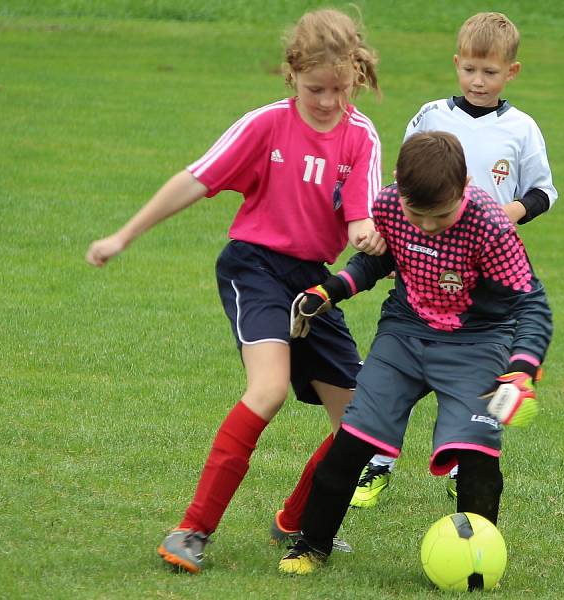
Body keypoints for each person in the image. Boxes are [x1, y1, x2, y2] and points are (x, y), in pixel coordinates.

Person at [85, 9, 385, 574]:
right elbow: (194, 181)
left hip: (314, 283)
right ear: (292, 73)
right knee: (267, 390)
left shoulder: (360, 134)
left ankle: (296, 520)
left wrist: (363, 233)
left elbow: (358, 214)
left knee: (365, 418)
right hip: (256, 269)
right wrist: (122, 236)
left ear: (355, 76)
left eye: (340, 89)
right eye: (315, 88)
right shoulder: (265, 126)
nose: (327, 101)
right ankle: (192, 529)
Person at [277, 131, 553, 575]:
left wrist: (521, 370)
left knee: (476, 451)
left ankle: (476, 563)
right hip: (404, 334)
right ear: (397, 187)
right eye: (416, 214)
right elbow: (377, 261)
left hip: (477, 341)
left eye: (440, 215)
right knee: (353, 439)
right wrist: (332, 289)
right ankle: (311, 545)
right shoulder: (387, 204)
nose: (426, 225)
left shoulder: (491, 225)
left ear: (464, 186)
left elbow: (531, 304)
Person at [351, 11, 558, 508]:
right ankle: (377, 464)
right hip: (423, 257)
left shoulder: (522, 129)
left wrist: (508, 212)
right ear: (456, 65)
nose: (478, 81)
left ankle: (466, 464)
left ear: (512, 72)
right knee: (394, 366)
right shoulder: (430, 116)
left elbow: (544, 191)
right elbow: (406, 182)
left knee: (472, 368)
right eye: (469, 69)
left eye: (490, 72)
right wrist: (385, 229)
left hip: (485, 267)